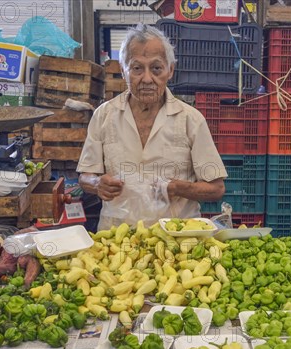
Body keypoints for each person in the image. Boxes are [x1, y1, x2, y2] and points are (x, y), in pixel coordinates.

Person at [77, 24, 227, 230]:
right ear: (123, 71)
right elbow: (86, 176)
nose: (147, 79)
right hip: (116, 239)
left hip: (176, 239)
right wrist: (96, 184)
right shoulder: (104, 115)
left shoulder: (191, 120)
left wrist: (180, 188)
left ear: (170, 70)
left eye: (156, 68)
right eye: (137, 68)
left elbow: (216, 189)